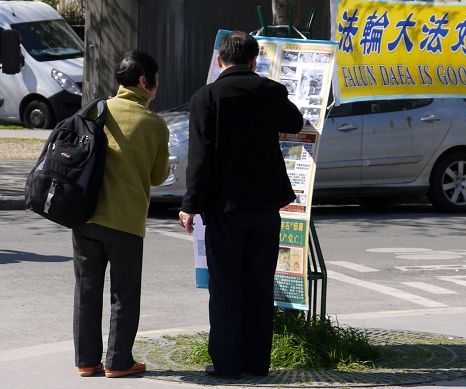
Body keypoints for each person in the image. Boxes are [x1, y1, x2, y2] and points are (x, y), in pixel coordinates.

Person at [179, 31, 303, 378]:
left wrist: (190, 204)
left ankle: (227, 363)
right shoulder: (271, 92)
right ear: (253, 60)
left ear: (220, 60)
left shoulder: (207, 97)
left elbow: (200, 157)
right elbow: (294, 122)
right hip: (265, 207)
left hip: (224, 208)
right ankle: (257, 362)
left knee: (225, 287)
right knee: (260, 286)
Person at [72, 51, 169, 378]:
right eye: (154, 80)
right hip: (125, 222)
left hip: (85, 218)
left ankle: (87, 362)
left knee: (86, 290)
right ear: (144, 82)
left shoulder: (98, 109)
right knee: (123, 293)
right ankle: (118, 361)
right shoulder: (153, 123)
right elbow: (157, 177)